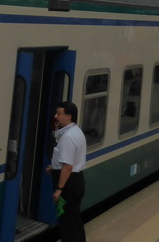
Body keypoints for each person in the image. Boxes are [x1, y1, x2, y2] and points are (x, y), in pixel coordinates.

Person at [50, 102, 86, 242]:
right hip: (76, 180)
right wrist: (53, 167)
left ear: (69, 116)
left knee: (67, 223)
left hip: (68, 184)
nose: (56, 117)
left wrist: (59, 189)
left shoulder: (67, 137)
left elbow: (68, 166)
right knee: (74, 220)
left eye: (59, 114)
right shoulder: (77, 131)